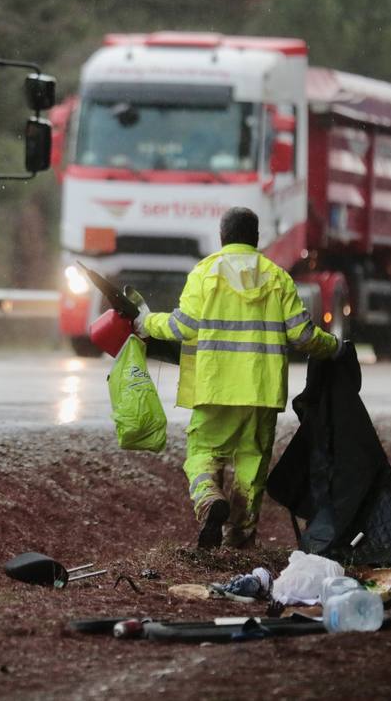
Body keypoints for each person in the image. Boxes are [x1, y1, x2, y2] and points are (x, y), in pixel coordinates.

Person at [134, 206, 345, 549]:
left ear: (222, 236)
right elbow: (303, 336)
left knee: (202, 452)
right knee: (251, 463)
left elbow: (181, 326)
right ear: (256, 238)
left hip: (214, 387)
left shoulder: (205, 272)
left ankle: (208, 500)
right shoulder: (276, 277)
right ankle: (239, 537)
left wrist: (146, 322)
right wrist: (334, 346)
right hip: (261, 393)